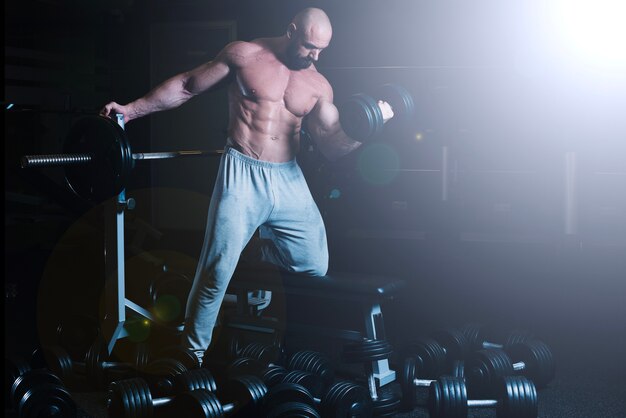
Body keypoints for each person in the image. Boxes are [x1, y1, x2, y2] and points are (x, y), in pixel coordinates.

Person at [100, 7, 393, 364]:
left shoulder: (319, 85)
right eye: (309, 46)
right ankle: (190, 355)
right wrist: (130, 111)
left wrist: (369, 127)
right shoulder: (244, 55)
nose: (315, 56)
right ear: (291, 31)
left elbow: (334, 145)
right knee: (216, 270)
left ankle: (254, 247)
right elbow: (187, 85)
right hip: (242, 171)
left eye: (321, 50)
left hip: (288, 176)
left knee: (315, 264)